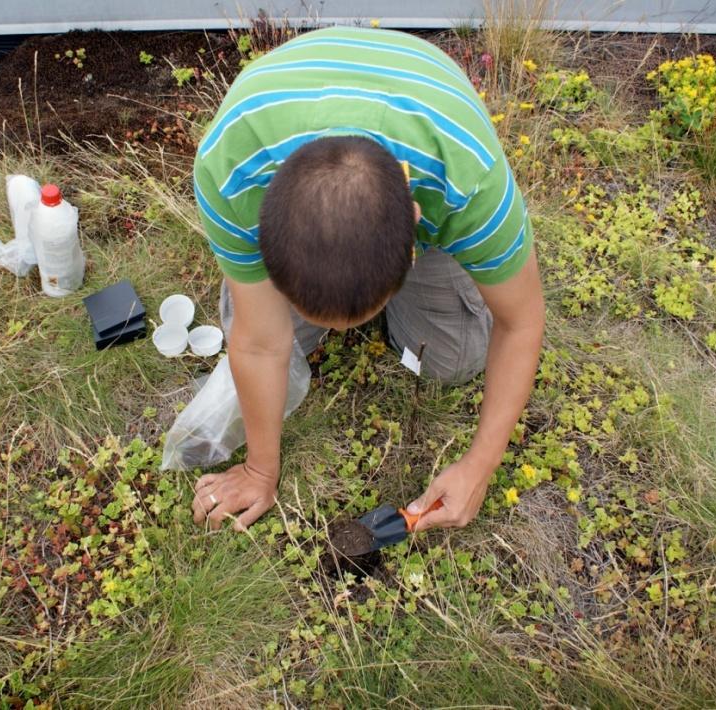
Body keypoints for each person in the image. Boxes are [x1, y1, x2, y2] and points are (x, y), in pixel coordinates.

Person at [190, 26, 545, 533]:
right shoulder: (231, 168)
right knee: (253, 328)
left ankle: (412, 305)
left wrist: (479, 467)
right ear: (263, 230)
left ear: (417, 232)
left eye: (354, 318)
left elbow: (524, 321)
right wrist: (258, 470)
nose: (340, 336)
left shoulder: (468, 178)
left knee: (452, 359)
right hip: (278, 129)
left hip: (430, 117)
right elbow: (260, 342)